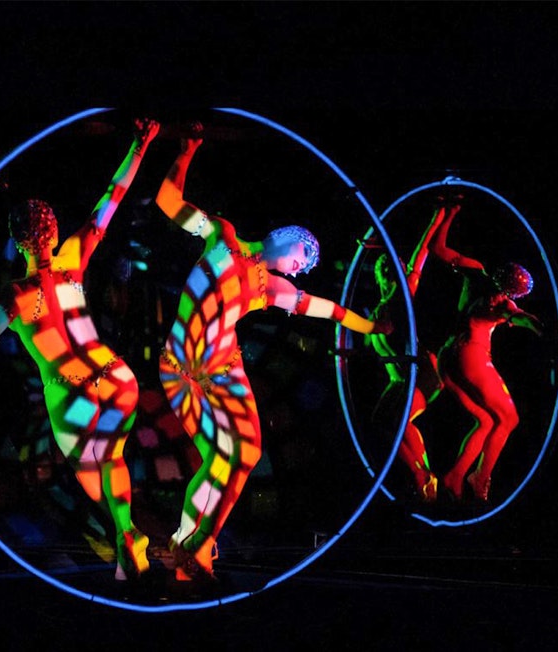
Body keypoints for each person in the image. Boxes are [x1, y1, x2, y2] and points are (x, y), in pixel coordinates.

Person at [154, 123, 389, 581]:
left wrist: (371, 325)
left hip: (225, 368)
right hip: (181, 368)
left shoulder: (272, 288)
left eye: (305, 267)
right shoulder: (221, 236)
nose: (301, 269)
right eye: (302, 255)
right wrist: (186, 151)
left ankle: (199, 543)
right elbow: (168, 202)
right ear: (283, 236)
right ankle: (186, 539)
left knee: (246, 452)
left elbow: (328, 310)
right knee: (218, 456)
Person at [0, 118, 160, 580]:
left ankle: (126, 532)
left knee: (87, 468)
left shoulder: (17, 296)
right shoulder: (75, 257)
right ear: (53, 234)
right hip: (117, 377)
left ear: (18, 243)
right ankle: (126, 542)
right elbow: (110, 200)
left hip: (72, 393)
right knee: (112, 458)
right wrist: (140, 144)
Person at [428, 198, 542, 501]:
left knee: (489, 421)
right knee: (510, 418)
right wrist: (538, 326)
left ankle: (455, 476)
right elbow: (519, 317)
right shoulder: (502, 303)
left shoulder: (475, 272)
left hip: (447, 357)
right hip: (471, 357)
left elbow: (438, 250)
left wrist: (447, 215)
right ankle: (481, 478)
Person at [365, 199, 449, 503]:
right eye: (384, 268)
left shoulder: (404, 293)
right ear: (379, 275)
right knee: (390, 424)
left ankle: (421, 477)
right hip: (399, 380)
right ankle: (426, 477)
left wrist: (436, 217)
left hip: (419, 374)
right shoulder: (381, 306)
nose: (390, 270)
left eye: (395, 266)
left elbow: (422, 251)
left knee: (393, 424)